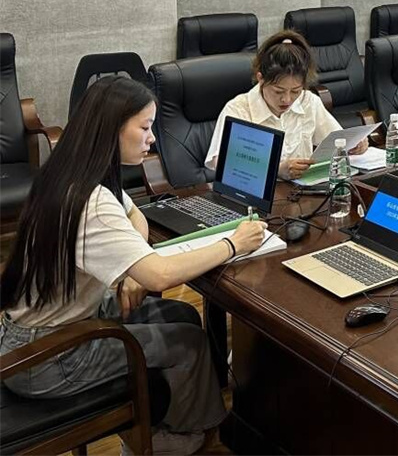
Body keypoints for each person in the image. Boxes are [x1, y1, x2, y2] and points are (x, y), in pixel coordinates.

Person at [0, 76, 266, 456]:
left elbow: (134, 215)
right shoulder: (90, 202)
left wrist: (130, 268)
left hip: (38, 329)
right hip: (47, 358)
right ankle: (187, 440)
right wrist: (233, 244)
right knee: (188, 342)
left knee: (182, 315)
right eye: (145, 127)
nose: (152, 138)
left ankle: (171, 423)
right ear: (113, 129)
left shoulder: (74, 172)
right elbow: (161, 274)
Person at [206, 30, 365, 180]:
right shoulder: (239, 109)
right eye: (278, 91)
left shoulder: (308, 101)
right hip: (257, 194)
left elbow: (337, 140)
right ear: (261, 79)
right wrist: (276, 170)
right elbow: (221, 162)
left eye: (295, 91)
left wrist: (353, 144)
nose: (287, 99)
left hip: (302, 189)